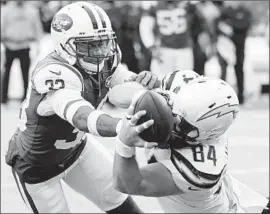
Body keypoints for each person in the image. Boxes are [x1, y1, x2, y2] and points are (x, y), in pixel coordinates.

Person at [5, 2, 159, 213]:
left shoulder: (107, 57)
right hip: (37, 166)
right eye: (90, 45)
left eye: (103, 42)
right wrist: (121, 126)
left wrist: (142, 84)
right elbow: (81, 117)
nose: (101, 51)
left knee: (119, 200)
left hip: (77, 148)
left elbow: (117, 82)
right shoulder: (55, 72)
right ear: (65, 45)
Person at [113, 73, 269, 213]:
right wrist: (143, 87)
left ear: (202, 136)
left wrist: (124, 145)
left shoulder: (200, 167)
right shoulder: (179, 86)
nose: (170, 119)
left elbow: (129, 184)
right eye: (170, 107)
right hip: (240, 197)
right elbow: (116, 94)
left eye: (180, 123)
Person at [139, 1, 198, 79]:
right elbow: (145, 27)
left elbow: (198, 21)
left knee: (185, 84)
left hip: (184, 49)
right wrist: (152, 47)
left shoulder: (187, 4)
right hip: (163, 50)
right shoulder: (154, 5)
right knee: (160, 83)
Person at [1, 1, 43, 104]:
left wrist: (38, 44)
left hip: (24, 46)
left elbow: (37, 27)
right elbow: (2, 25)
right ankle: (3, 98)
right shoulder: (6, 10)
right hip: (9, 45)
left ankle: (26, 97)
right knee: (6, 73)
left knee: (25, 73)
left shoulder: (32, 11)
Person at [215, 1, 253, 104]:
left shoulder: (245, 11)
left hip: (239, 47)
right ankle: (221, 97)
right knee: (223, 71)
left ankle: (241, 96)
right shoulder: (227, 11)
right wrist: (224, 29)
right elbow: (217, 24)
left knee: (239, 70)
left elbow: (245, 24)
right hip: (226, 46)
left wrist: (232, 26)